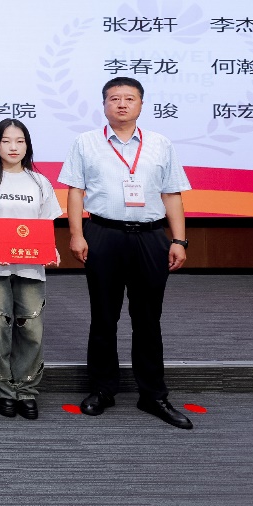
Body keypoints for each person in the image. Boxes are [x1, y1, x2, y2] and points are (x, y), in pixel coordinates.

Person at [59, 77, 194, 429]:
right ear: (104, 104)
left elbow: (172, 194)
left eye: (129, 98)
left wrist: (178, 240)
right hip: (103, 234)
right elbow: (75, 191)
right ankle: (103, 389)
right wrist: (76, 235)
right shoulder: (86, 142)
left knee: (148, 319)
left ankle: (153, 394)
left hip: (150, 237)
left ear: (141, 104)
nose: (121, 104)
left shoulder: (160, 144)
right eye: (114, 98)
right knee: (104, 317)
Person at [0, 118, 62, 420]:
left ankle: (26, 389)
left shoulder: (39, 182)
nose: (13, 147)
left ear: (27, 145)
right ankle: (2, 390)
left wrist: (51, 247)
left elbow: (46, 221)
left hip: (31, 265)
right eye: (6, 141)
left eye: (20, 141)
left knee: (31, 328)